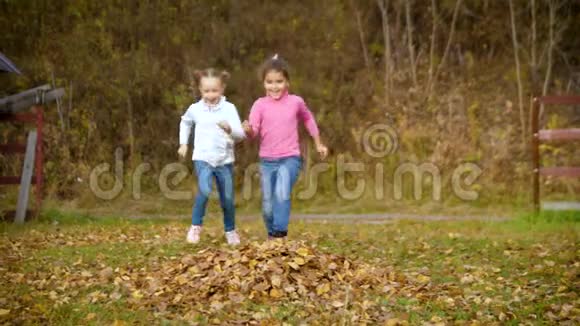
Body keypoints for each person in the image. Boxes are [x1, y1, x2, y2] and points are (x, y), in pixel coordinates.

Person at [242, 54, 328, 240]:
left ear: (287, 81)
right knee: (267, 206)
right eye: (269, 82)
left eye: (279, 81)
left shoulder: (295, 102)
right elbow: (253, 132)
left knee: (281, 192)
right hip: (267, 161)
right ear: (263, 83)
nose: (274, 86)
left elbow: (308, 119)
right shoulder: (259, 105)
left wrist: (318, 143)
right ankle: (272, 235)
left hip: (290, 158)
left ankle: (280, 235)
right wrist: (248, 130)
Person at [178, 68, 245, 245]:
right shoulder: (195, 109)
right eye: (206, 91)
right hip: (203, 158)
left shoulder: (229, 109)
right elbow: (185, 122)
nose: (210, 95)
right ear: (200, 90)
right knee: (205, 189)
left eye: (214, 90)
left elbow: (240, 135)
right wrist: (184, 143)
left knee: (228, 199)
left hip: (224, 160)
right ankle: (195, 227)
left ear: (222, 89)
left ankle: (230, 231)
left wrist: (230, 129)